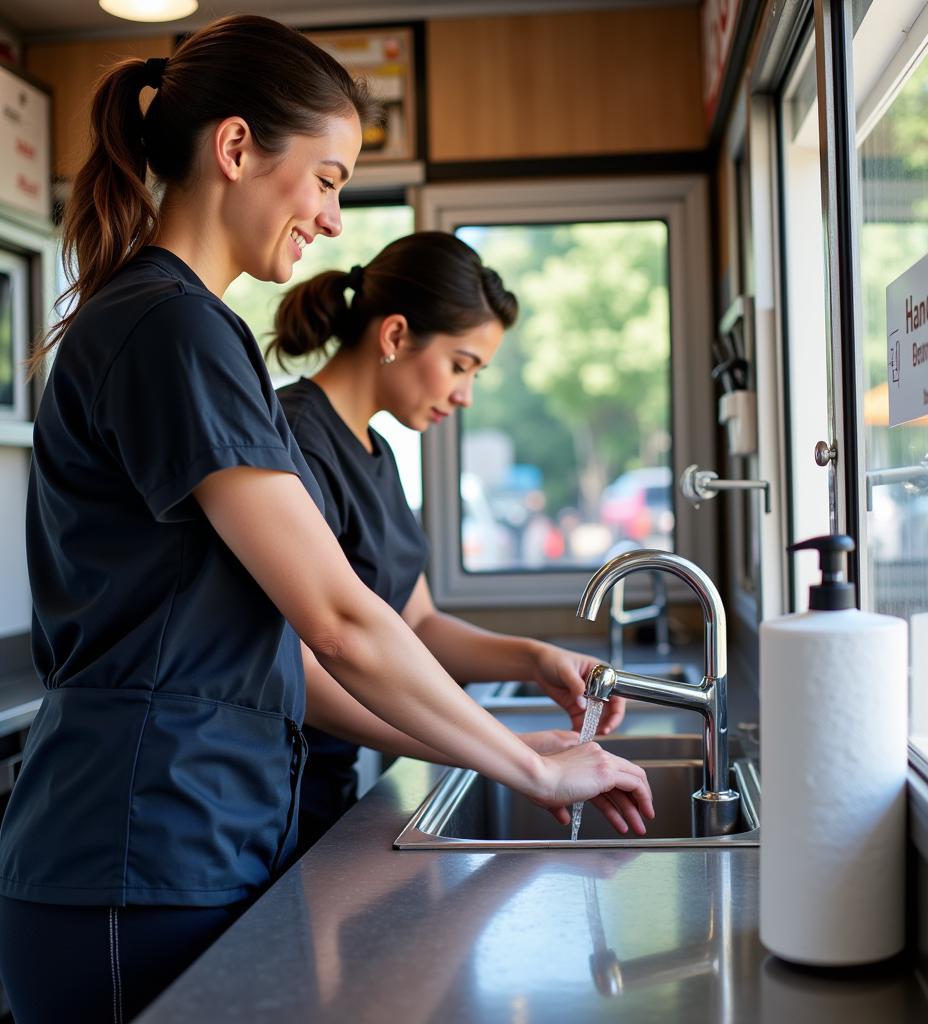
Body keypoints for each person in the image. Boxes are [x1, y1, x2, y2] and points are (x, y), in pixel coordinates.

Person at [0, 15, 652, 1023]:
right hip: (140, 845)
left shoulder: (189, 327)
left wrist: (512, 735)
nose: (334, 218)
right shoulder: (171, 328)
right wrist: (527, 762)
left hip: (186, 834)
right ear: (234, 149)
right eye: (328, 177)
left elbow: (298, 635)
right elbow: (339, 619)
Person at [267, 233, 629, 854]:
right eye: (461, 365)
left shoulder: (375, 452)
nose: (465, 394)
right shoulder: (294, 441)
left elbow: (419, 623)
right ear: (396, 336)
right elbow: (302, 669)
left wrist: (536, 659)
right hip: (277, 791)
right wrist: (503, 752)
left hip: (329, 782)